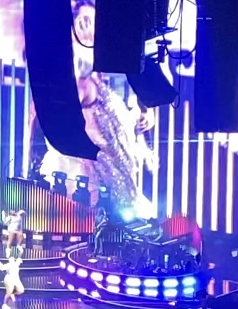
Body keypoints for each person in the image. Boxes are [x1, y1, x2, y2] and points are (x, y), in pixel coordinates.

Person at [29, 0, 157, 215]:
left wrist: (145, 110)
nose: (88, 26)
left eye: (92, 21)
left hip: (112, 145)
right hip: (79, 156)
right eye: (83, 21)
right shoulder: (68, 62)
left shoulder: (115, 59)